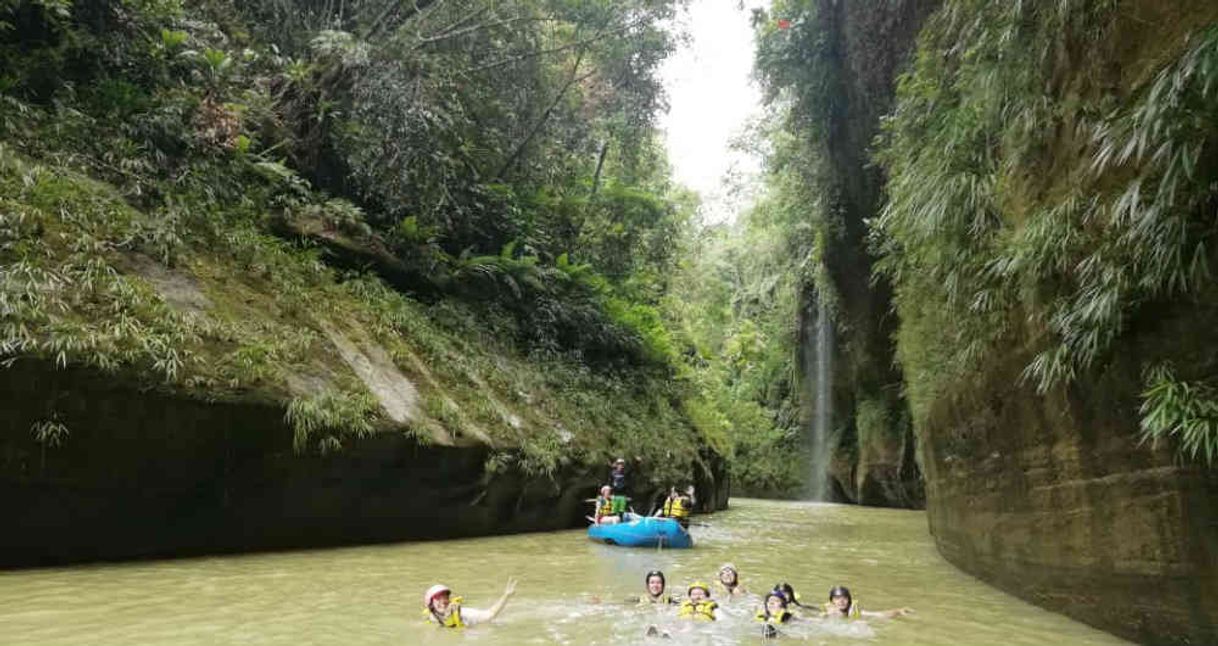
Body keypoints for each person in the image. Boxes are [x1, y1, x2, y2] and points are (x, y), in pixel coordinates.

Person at [422, 579, 517, 629]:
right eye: (438, 599)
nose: (443, 602)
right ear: (430, 604)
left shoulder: (466, 614)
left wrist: (506, 596)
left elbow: (490, 614)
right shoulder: (431, 618)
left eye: (445, 598)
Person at [822, 585, 912, 620]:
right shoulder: (825, 613)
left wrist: (898, 611)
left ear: (849, 600)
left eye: (844, 598)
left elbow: (880, 614)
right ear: (832, 601)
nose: (841, 601)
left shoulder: (856, 612)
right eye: (837, 598)